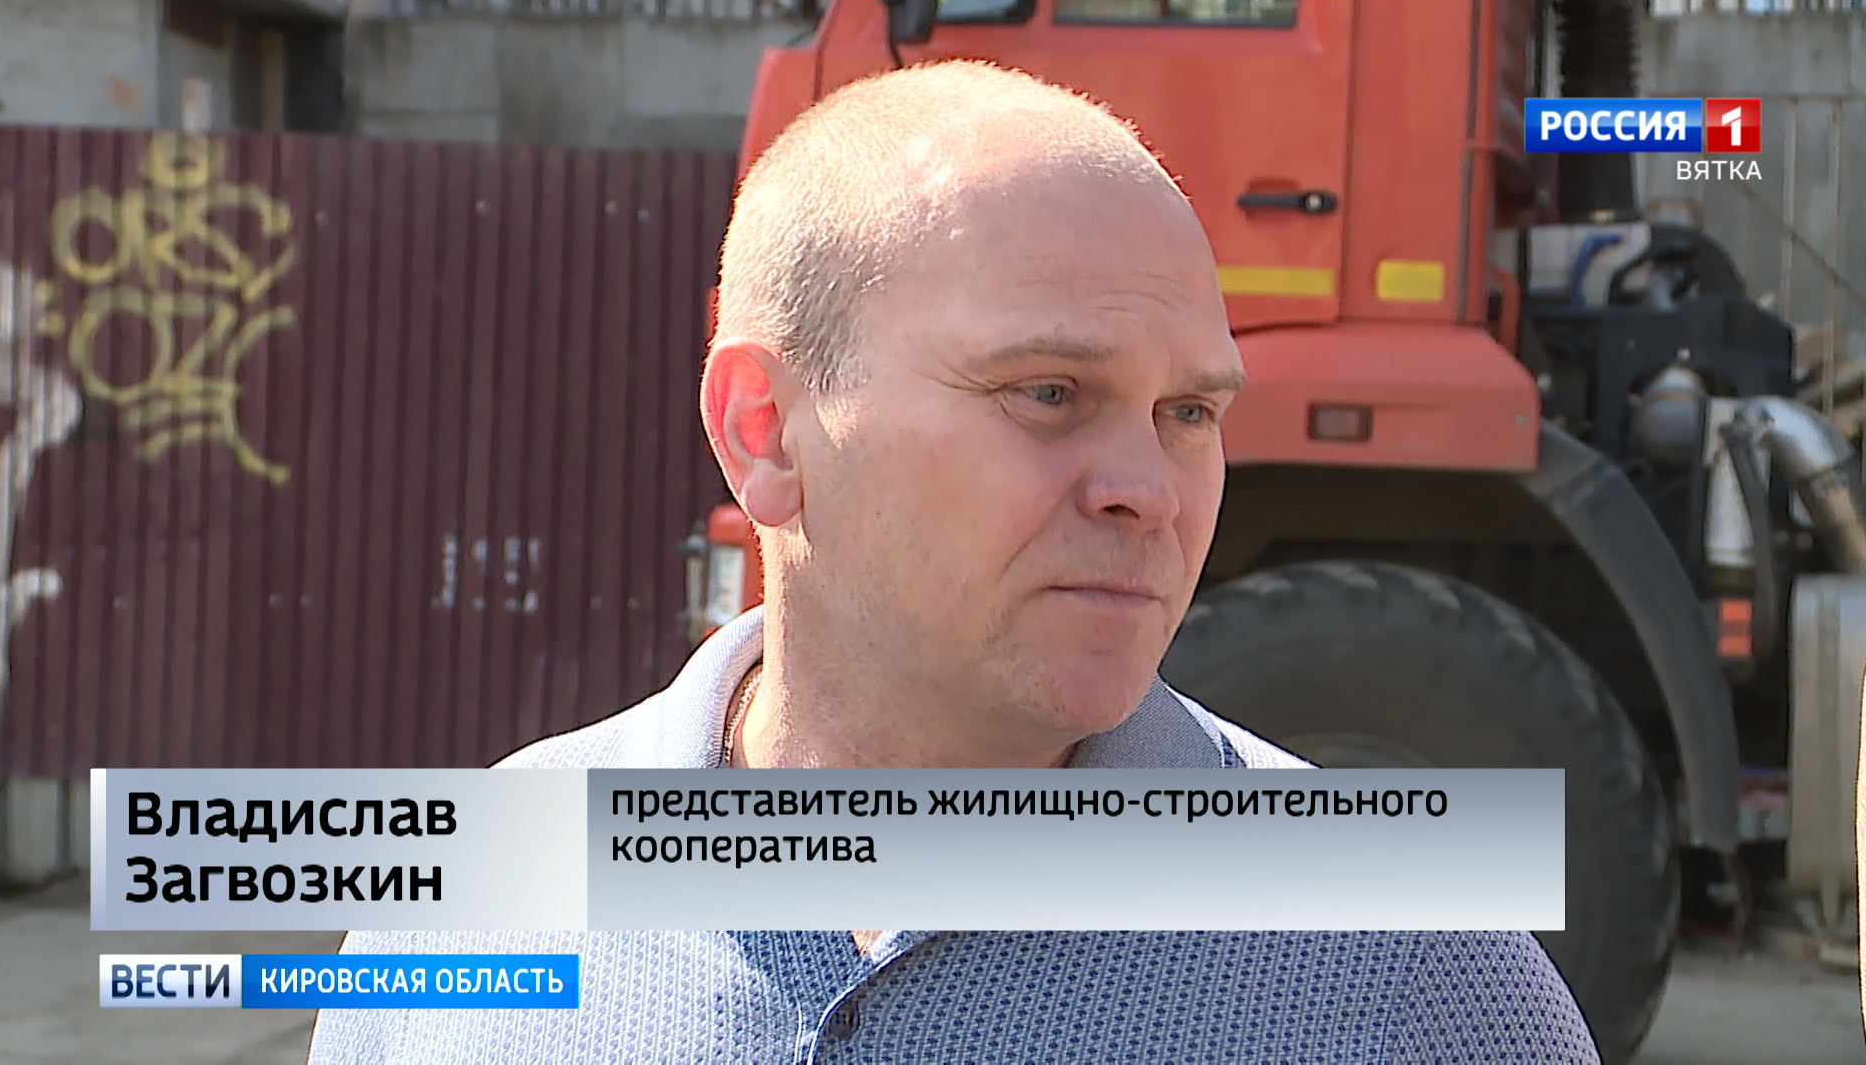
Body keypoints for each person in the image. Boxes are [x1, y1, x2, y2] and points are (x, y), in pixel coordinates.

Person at [309, 59, 1600, 1064]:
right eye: (1049, 393)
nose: (1151, 491)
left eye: (1190, 413)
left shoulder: (1417, 980)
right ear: (766, 432)